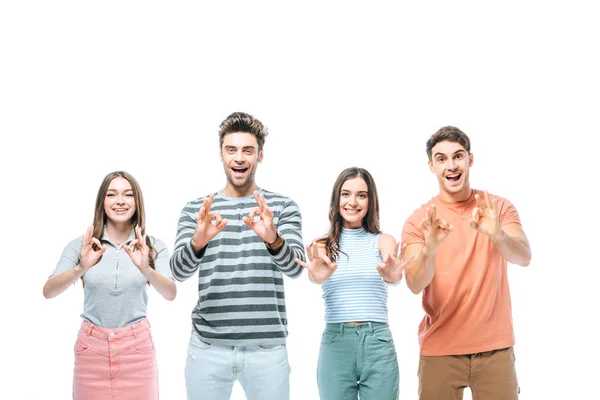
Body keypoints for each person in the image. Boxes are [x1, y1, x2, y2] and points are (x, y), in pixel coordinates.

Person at [169, 112, 305, 400]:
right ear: (221, 154)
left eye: (247, 150)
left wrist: (272, 238)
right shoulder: (198, 209)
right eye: (231, 150)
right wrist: (198, 241)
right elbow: (178, 272)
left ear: (260, 156)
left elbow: (296, 269)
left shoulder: (282, 207)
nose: (239, 158)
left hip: (267, 351)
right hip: (208, 348)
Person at [401, 126, 532, 400]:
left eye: (458, 156)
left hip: (495, 350)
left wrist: (497, 234)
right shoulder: (419, 221)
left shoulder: (497, 207)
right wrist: (430, 248)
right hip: (440, 351)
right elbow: (414, 283)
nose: (451, 166)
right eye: (442, 159)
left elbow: (523, 256)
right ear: (431, 166)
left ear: (470, 160)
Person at [43, 170, 176, 400]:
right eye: (112, 194)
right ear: (102, 201)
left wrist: (146, 269)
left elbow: (171, 293)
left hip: (138, 352)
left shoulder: (153, 246)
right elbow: (49, 291)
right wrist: (80, 268)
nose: (120, 201)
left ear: (137, 201)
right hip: (91, 352)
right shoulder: (83, 245)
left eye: (128, 195)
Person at [297, 167, 414, 400]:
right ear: (336, 199)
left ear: (371, 201)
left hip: (377, 343)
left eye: (361, 195)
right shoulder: (321, 244)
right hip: (336, 343)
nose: (353, 202)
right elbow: (315, 275)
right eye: (346, 194)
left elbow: (393, 275)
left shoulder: (384, 240)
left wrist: (393, 274)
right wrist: (317, 276)